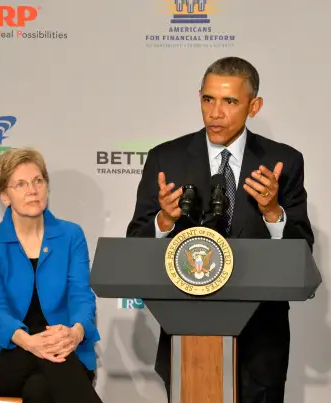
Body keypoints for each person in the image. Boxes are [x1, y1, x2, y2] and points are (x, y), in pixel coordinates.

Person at [126, 56, 314, 403]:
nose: (215, 113)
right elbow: (135, 244)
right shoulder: (165, 159)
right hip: (187, 330)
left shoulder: (283, 161)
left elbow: (302, 251)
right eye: (208, 99)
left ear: (253, 106)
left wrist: (273, 211)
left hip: (261, 334)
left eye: (229, 102)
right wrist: (164, 221)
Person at [0, 148, 103, 403]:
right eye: (20, 184)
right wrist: (31, 343)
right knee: (56, 365)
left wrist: (75, 333)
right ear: (5, 196)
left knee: (39, 390)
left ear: (46, 186)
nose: (32, 190)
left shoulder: (70, 235)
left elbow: (81, 295)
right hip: (8, 354)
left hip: (65, 347)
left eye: (38, 181)